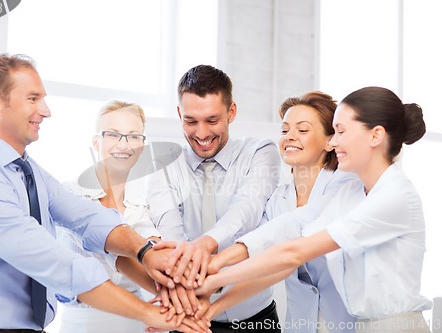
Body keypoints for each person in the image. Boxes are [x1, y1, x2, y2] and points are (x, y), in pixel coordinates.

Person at [0, 53, 210, 333]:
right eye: (33, 99)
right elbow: (60, 266)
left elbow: (88, 218)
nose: (46, 111)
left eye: (133, 135)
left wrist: (145, 252)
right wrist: (152, 314)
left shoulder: (28, 170)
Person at [196, 86, 433, 333]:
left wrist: (214, 278)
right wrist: (213, 298)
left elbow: (294, 252)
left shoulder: (393, 195)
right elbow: (291, 234)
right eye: (285, 129)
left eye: (341, 131)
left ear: (375, 136)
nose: (335, 140)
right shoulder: (351, 194)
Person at [192, 91, 358, 333]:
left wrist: (216, 266)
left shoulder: (346, 184)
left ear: (329, 141)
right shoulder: (277, 201)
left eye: (302, 130)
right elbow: (265, 268)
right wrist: (211, 310)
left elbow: (293, 228)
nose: (289, 137)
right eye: (284, 130)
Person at [146, 64, 281, 332]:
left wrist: (204, 244)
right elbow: (169, 228)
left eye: (212, 120)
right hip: (186, 317)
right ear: (178, 114)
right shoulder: (163, 164)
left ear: (231, 112)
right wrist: (186, 265)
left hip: (254, 319)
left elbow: (247, 209)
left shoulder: (260, 152)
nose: (202, 133)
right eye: (191, 121)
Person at [55, 101, 162, 333]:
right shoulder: (70, 194)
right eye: (113, 134)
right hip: (82, 322)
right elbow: (112, 249)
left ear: (142, 146)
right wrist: (166, 292)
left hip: (135, 322)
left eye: (133, 136)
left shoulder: (145, 203)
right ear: (96, 142)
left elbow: (157, 254)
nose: (123, 145)